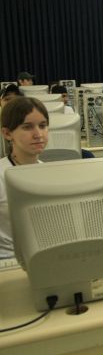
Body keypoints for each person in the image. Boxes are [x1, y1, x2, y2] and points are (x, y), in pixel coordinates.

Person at [0, 97, 50, 259]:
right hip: (7, 262)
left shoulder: (49, 172)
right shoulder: (2, 174)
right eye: (27, 127)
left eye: (43, 126)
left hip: (45, 255)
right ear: (7, 133)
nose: (38, 134)